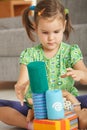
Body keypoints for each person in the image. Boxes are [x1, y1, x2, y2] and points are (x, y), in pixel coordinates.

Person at [0, 0, 87, 129]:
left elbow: (86, 78)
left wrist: (81, 74)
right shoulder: (30, 55)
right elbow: (22, 82)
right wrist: (21, 86)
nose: (51, 38)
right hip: (38, 107)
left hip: (67, 103)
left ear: (64, 25)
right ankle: (32, 124)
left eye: (56, 32)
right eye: (45, 32)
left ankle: (72, 118)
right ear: (36, 28)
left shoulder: (70, 52)